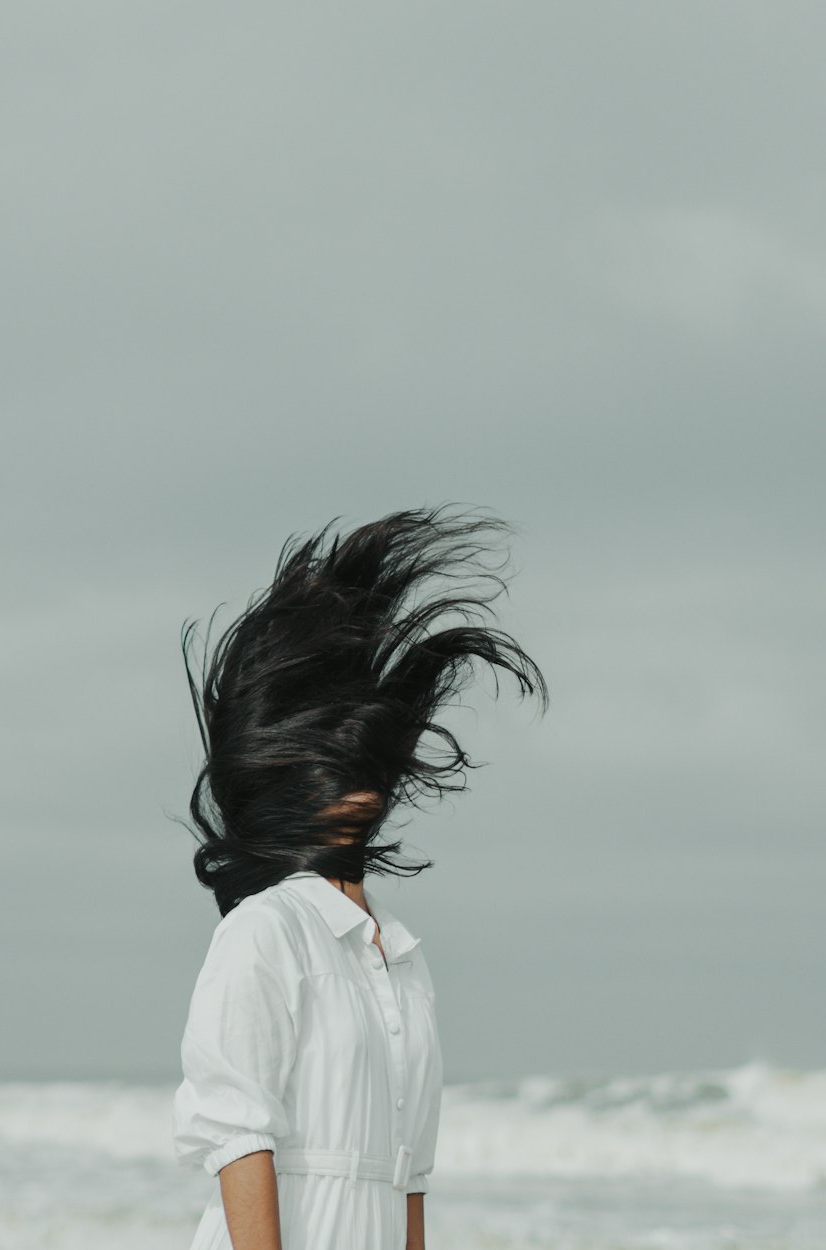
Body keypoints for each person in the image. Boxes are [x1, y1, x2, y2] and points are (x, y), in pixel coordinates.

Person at [171, 504, 548, 1250]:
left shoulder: (397, 955)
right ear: (291, 768)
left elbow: (407, 1177)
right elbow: (238, 1136)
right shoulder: (266, 930)